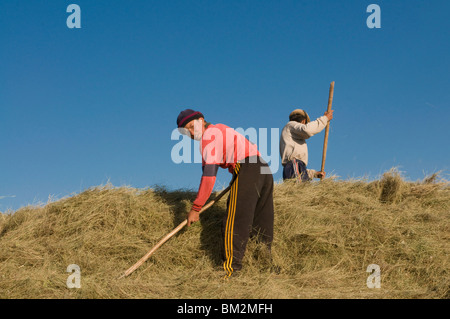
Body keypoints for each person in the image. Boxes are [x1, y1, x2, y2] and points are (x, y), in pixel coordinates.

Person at [176, 109, 275, 278]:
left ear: (202, 119)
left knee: (235, 219)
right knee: (262, 220)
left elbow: (208, 177)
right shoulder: (222, 128)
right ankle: (266, 267)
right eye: (188, 131)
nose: (192, 133)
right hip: (263, 168)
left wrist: (196, 207)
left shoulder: (208, 137)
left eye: (193, 126)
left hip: (247, 168)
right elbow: (248, 146)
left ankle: (231, 269)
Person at [280, 108, 334, 182]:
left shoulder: (291, 135)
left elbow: (299, 169)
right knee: (298, 191)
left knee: (301, 190)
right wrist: (325, 119)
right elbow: (307, 130)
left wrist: (314, 174)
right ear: (303, 121)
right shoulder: (291, 125)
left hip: (294, 167)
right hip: (294, 165)